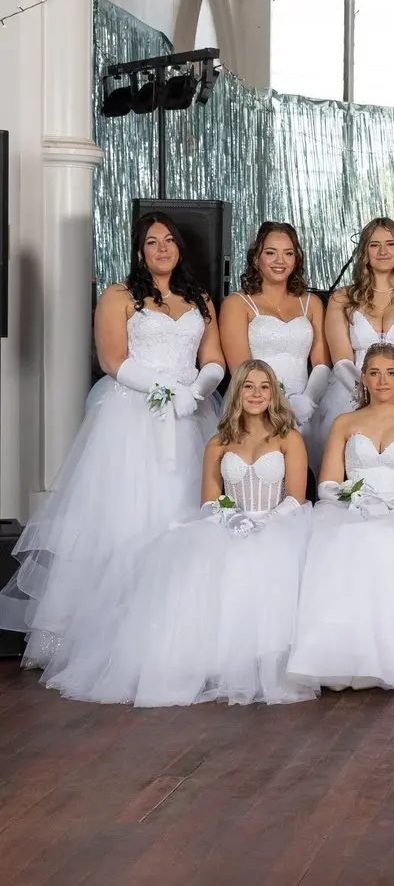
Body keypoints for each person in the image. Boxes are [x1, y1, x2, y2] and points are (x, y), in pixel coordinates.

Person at [0, 213, 226, 671]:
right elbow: (112, 361)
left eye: (168, 240)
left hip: (190, 415)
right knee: (126, 518)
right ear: (139, 250)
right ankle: (107, 636)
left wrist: (198, 390)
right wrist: (166, 391)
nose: (161, 248)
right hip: (134, 418)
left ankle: (177, 630)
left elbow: (215, 357)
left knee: (186, 511)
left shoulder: (200, 299)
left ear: (179, 247)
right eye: (151, 242)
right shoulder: (118, 296)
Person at [49, 361, 315, 706]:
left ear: (273, 394)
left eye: (265, 387)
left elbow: (296, 496)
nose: (257, 394)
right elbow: (209, 501)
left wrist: (265, 523)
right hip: (228, 522)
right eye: (248, 386)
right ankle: (208, 663)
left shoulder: (288, 437)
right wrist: (231, 520)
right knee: (196, 566)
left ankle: (262, 662)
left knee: (262, 561)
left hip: (279, 523)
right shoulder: (219, 442)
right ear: (237, 392)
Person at [287, 343, 394, 691]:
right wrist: (357, 499)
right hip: (352, 507)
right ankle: (339, 657)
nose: (382, 380)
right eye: (374, 372)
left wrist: (393, 507)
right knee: (341, 540)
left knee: (388, 542)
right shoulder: (345, 422)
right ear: (363, 378)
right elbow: (328, 484)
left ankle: (387, 656)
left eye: (391, 373)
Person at [310, 217, 394, 466]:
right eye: (374, 245)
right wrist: (366, 396)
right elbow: (341, 360)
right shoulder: (342, 299)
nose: (383, 252)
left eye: (390, 244)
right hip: (350, 389)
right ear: (364, 251)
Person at [219, 222, 330, 469]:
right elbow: (241, 367)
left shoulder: (311, 303)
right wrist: (278, 406)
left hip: (306, 408)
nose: (280, 260)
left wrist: (306, 401)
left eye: (288, 253)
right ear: (256, 257)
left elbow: (322, 363)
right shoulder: (237, 303)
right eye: (271, 252)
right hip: (255, 404)